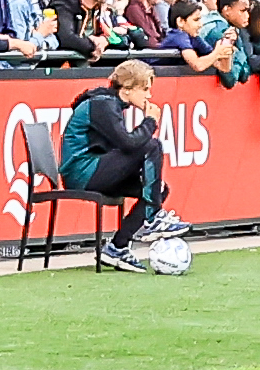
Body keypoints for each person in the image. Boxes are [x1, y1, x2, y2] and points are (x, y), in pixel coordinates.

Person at [62, 56, 183, 276]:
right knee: (152, 145)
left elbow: (124, 147)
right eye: (145, 89)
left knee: (159, 189)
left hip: (95, 169)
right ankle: (154, 217)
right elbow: (128, 144)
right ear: (127, 89)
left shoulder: (111, 103)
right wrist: (150, 121)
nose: (149, 95)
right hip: (81, 172)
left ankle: (117, 247)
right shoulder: (102, 105)